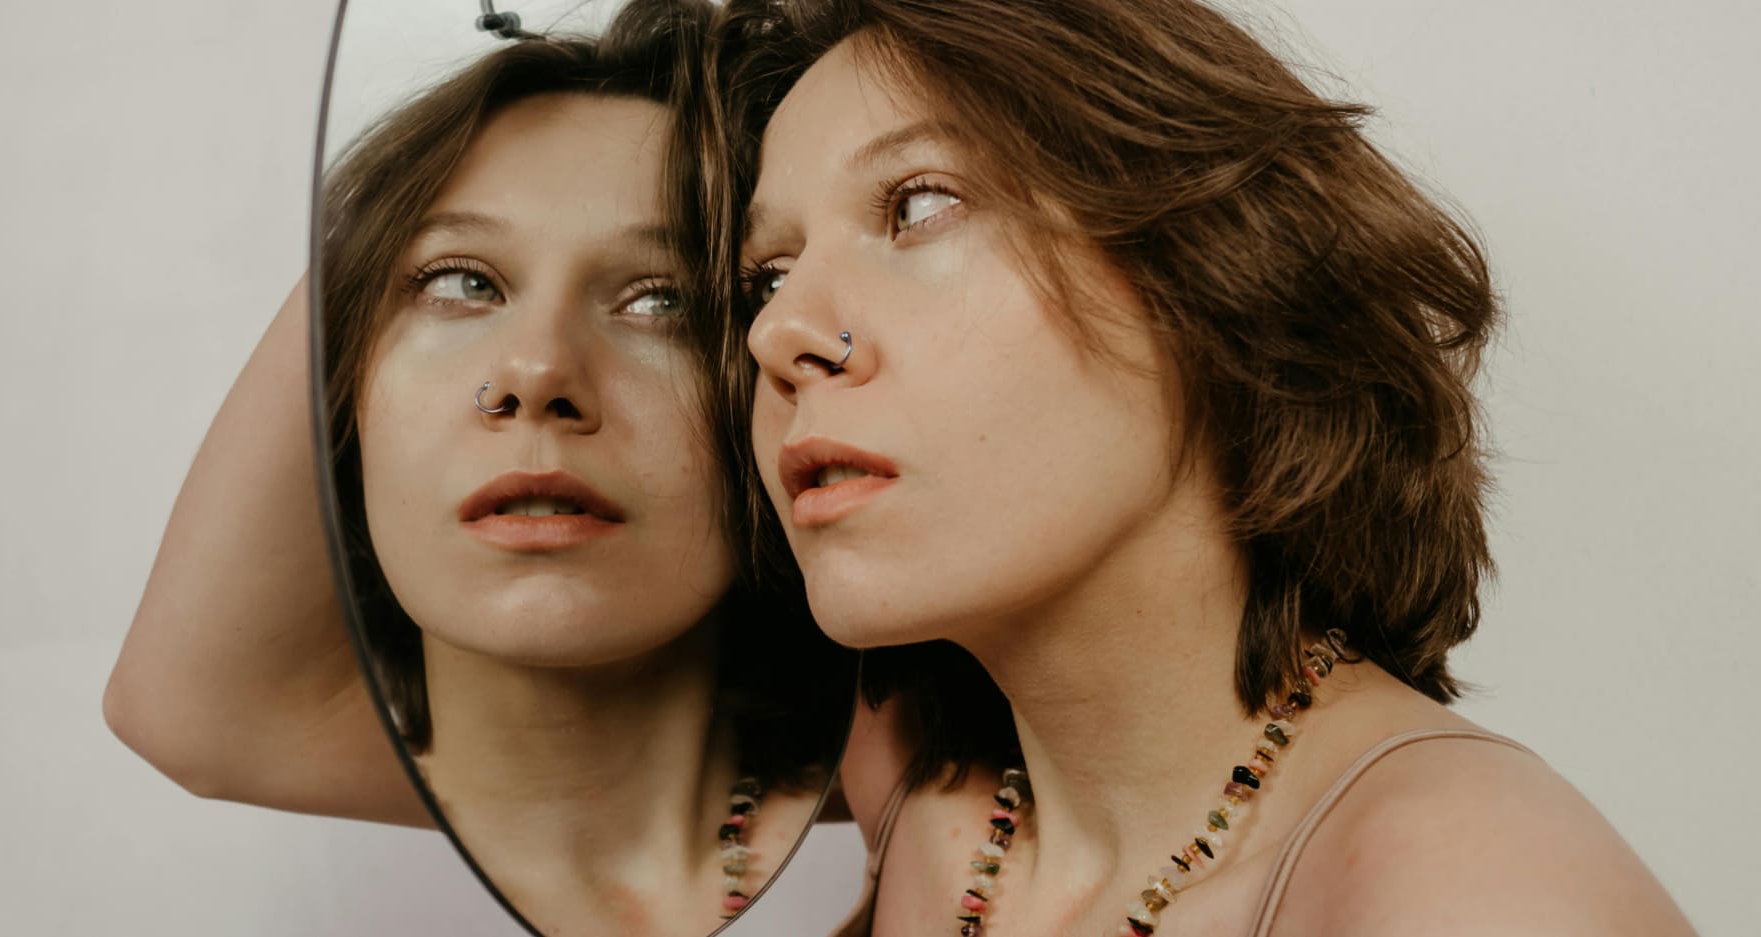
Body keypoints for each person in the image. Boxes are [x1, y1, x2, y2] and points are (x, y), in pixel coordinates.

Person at [712, 1, 1694, 934]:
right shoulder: (914, 795)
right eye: (769, 276)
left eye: (919, 203)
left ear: (1211, 266)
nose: (779, 331)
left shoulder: (1477, 891)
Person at [105, 3, 850, 934]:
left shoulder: (933, 785)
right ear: (347, 393)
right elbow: (178, 712)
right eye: (461, 282)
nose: (536, 373)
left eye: (665, 301)